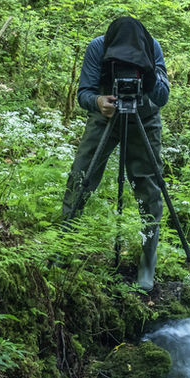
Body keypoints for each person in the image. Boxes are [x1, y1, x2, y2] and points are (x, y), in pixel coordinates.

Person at [61, 16, 171, 291]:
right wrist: (98, 101)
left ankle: (148, 256)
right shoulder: (97, 47)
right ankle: (62, 243)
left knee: (148, 186)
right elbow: (84, 93)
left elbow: (163, 96)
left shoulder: (152, 46)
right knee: (81, 175)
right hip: (104, 117)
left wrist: (148, 76)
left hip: (144, 118)